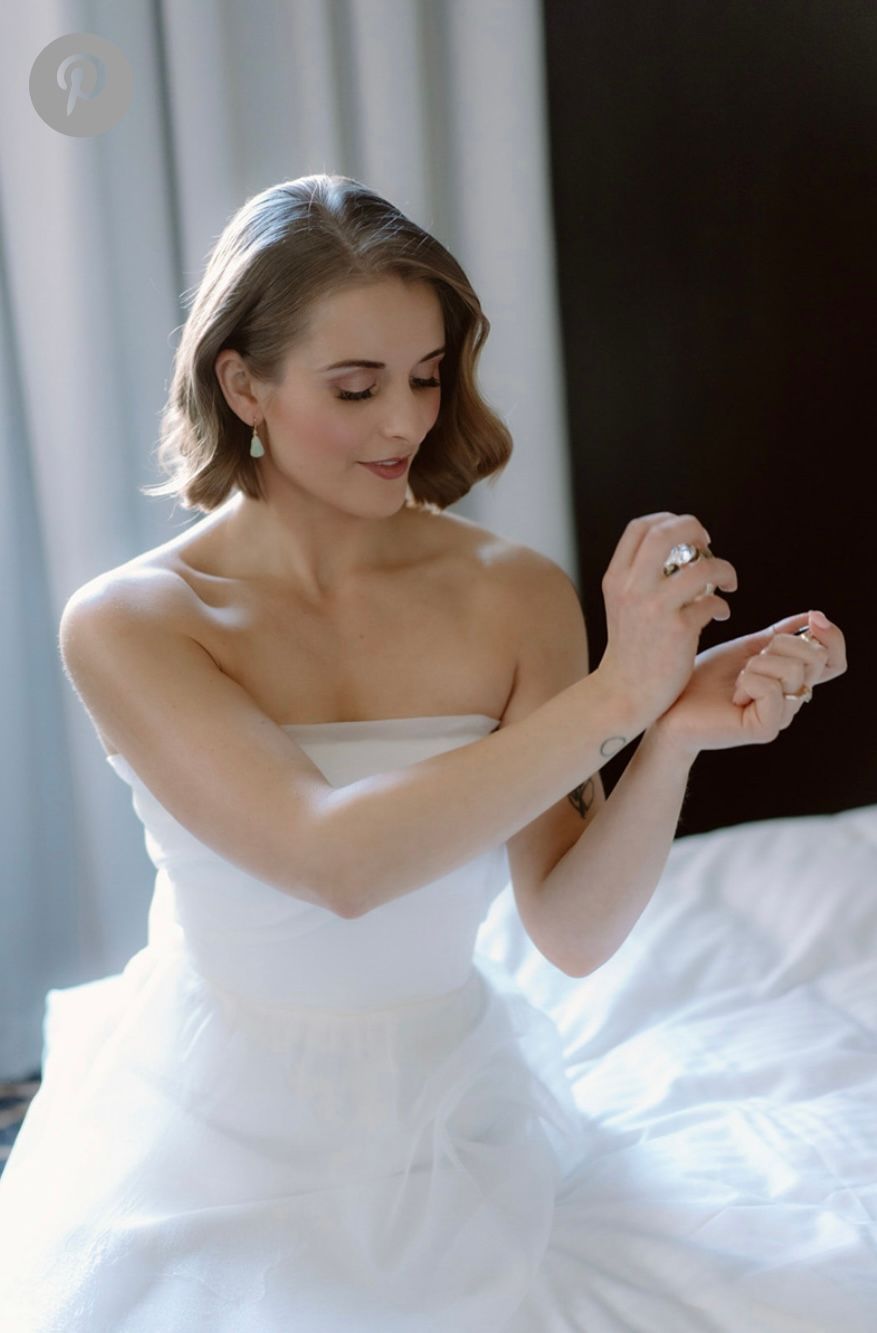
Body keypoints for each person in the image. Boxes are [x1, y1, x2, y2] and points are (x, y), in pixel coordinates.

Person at [0, 174, 848, 1330]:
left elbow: (572, 928)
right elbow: (334, 862)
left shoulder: (509, 594)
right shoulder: (136, 621)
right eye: (355, 387)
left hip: (454, 1109)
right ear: (241, 381)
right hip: (216, 1126)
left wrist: (670, 737)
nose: (403, 422)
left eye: (427, 374)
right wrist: (614, 696)